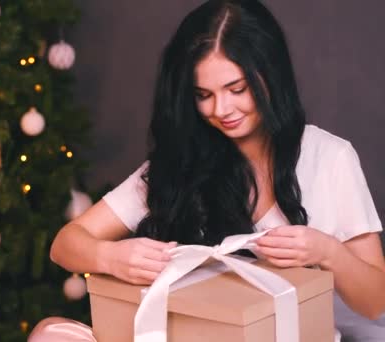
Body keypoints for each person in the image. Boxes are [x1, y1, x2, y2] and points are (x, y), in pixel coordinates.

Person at [29, 0, 385, 340]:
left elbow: (374, 302)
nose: (222, 109)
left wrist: (327, 252)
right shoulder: (178, 163)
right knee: (53, 334)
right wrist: (112, 257)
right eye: (203, 95)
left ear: (270, 76)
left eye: (237, 89)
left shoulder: (330, 157)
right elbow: (65, 244)